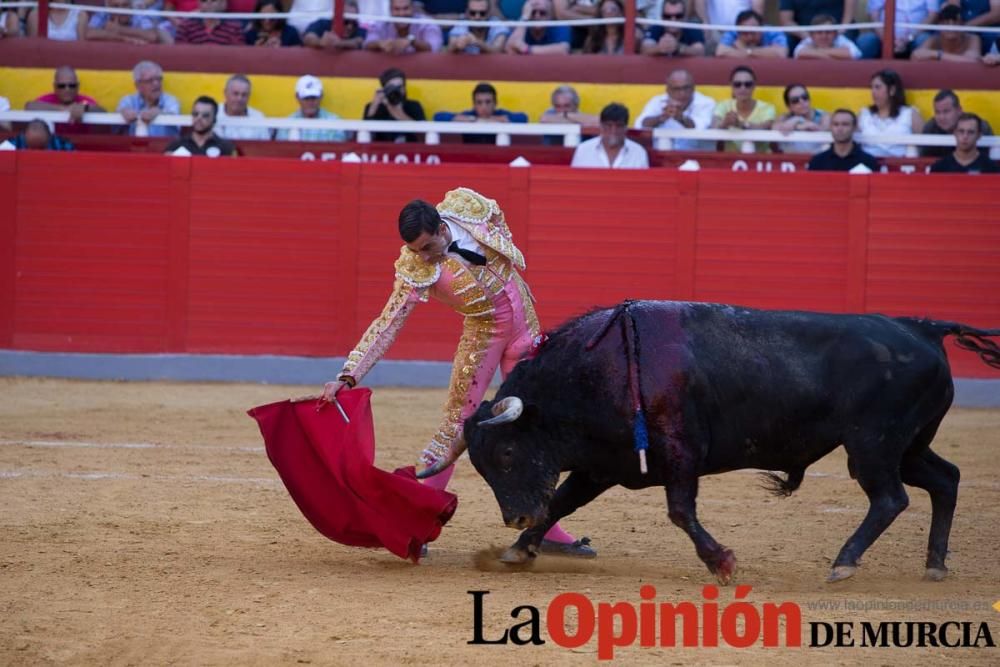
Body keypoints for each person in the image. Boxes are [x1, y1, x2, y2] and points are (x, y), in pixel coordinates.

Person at [319, 189, 597, 558]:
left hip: (525, 326)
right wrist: (349, 374)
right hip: (484, 335)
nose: (423, 256)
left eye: (428, 246)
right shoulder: (415, 269)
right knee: (457, 426)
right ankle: (415, 524)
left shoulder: (470, 208)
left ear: (441, 227)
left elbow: (499, 220)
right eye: (416, 250)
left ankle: (545, 528)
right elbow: (387, 323)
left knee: (535, 425)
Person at [635, 69, 715, 152]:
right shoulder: (657, 101)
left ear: (693, 88)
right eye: (676, 89)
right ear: (668, 90)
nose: (682, 93)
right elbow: (640, 124)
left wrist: (681, 118)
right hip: (661, 157)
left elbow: (701, 127)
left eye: (686, 88)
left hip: (696, 157)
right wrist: (660, 118)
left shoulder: (706, 103)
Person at [433, 82, 528, 144]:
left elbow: (523, 118)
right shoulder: (469, 115)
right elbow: (438, 117)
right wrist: (473, 119)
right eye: (479, 103)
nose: (484, 107)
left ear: (495, 103)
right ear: (474, 104)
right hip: (470, 160)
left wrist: (494, 119)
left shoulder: (500, 114)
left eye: (488, 102)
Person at [857, 69, 923, 158]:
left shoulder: (910, 114)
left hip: (901, 168)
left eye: (877, 87)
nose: (873, 92)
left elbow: (925, 145)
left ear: (892, 90)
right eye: (871, 87)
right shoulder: (864, 114)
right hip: (868, 167)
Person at [710, 65, 776, 153]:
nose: (743, 88)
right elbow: (714, 125)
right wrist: (724, 124)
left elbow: (765, 127)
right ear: (731, 86)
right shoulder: (723, 105)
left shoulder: (767, 108)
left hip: (761, 161)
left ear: (754, 86)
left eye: (747, 84)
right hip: (730, 160)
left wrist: (741, 124)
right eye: (737, 84)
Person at [25, 66, 106, 134]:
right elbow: (29, 106)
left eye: (72, 85)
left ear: (78, 87)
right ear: (55, 87)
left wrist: (85, 108)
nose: (67, 89)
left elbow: (102, 111)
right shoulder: (47, 99)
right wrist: (64, 109)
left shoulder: (85, 101)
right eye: (62, 86)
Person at [571, 103, 650, 169]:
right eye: (609, 125)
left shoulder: (638, 152)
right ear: (601, 126)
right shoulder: (584, 150)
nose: (613, 131)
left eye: (619, 126)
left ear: (626, 128)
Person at [921, 89, 994, 158]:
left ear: (959, 110)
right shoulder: (930, 128)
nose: (941, 117)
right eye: (937, 112)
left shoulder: (979, 126)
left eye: (946, 111)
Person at [116, 60, 181, 137]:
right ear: (138, 85)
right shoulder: (128, 100)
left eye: (159, 79)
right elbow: (122, 110)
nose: (156, 83)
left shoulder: (171, 100)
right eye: (150, 80)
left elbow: (172, 114)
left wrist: (158, 111)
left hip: (165, 147)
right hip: (134, 147)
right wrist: (124, 112)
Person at [275, 75, 348, 142]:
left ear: (321, 96)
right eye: (306, 98)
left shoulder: (334, 122)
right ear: (297, 97)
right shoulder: (286, 126)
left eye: (313, 98)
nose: (310, 102)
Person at [362, 68, 427, 143]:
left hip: (410, 150)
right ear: (384, 89)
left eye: (400, 87)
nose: (397, 90)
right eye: (392, 87)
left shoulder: (414, 106)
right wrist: (374, 105)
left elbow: (423, 136)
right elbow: (365, 136)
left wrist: (400, 115)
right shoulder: (373, 107)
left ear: (405, 88)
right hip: (381, 150)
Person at [857, 0, 938, 59]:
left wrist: (910, 37)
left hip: (916, 35)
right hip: (883, 37)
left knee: (925, 40)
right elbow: (873, 15)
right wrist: (887, 38)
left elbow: (932, 15)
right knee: (865, 41)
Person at [807, 108, 880, 171]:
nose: (840, 129)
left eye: (845, 124)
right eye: (836, 124)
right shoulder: (818, 162)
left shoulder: (868, 161)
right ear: (830, 127)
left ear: (854, 127)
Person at [164, 96, 238, 157]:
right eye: (195, 114)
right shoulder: (177, 145)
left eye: (205, 115)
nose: (199, 118)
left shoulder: (226, 148)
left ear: (214, 119)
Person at [929, 112, 999, 173]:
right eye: (961, 131)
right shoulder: (939, 168)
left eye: (971, 132)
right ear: (955, 133)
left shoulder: (991, 168)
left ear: (979, 135)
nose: (965, 136)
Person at [364, 0, 443, 53]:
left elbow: (434, 48)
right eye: (396, 9)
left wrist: (412, 42)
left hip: (421, 72)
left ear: (413, 8)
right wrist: (379, 44)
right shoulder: (381, 24)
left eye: (406, 8)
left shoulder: (427, 24)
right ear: (390, 10)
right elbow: (367, 45)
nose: (401, 14)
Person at [911, 5, 982, 62]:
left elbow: (972, 61)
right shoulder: (934, 40)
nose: (951, 27)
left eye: (955, 23)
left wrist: (938, 55)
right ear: (939, 26)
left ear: (962, 24)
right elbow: (915, 56)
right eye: (946, 23)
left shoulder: (973, 38)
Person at [774, 83, 830, 154]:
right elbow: (775, 127)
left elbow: (823, 130)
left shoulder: (823, 115)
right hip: (793, 161)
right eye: (795, 100)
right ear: (789, 107)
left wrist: (798, 124)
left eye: (804, 97)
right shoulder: (786, 117)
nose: (801, 102)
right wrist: (798, 121)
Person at [639, 0, 706, 57]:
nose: (673, 21)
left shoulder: (691, 28)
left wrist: (679, 48)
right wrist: (659, 48)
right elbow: (644, 49)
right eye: (668, 16)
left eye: (678, 16)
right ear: (662, 17)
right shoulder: (656, 28)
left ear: (685, 17)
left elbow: (700, 51)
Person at [216, 75, 272, 141]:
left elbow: (265, 147)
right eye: (235, 94)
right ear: (225, 93)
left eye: (244, 95)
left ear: (249, 96)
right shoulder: (213, 113)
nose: (239, 98)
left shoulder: (258, 118)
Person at [779, 0, 854, 50]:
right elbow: (787, 21)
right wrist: (809, 37)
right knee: (786, 42)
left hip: (838, 30)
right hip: (803, 33)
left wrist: (837, 33)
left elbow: (848, 18)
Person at [716, 9, 790, 58]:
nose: (750, 37)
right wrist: (765, 53)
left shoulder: (774, 32)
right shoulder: (733, 32)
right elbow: (720, 52)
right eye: (745, 33)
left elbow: (781, 54)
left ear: (761, 29)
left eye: (753, 33)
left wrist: (747, 50)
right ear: (738, 32)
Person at [506, 0, 571, 54]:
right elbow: (510, 48)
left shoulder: (559, 26)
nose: (537, 16)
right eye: (533, 12)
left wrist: (527, 49)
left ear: (550, 16)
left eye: (542, 13)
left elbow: (563, 50)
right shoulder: (521, 27)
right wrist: (524, 17)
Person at [446, 0, 510, 53]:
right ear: (467, 13)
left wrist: (477, 42)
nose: (477, 17)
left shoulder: (497, 26)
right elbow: (448, 52)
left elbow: (497, 51)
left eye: (482, 13)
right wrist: (456, 45)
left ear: (489, 13)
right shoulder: (461, 25)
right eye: (472, 13)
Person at [84, 0, 159, 44]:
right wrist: (123, 38)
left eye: (125, 5)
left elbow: (152, 35)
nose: (121, 10)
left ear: (131, 5)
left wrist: (119, 29)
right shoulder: (103, 13)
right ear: (108, 6)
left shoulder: (138, 14)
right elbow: (88, 33)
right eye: (116, 6)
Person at [793, 14, 863, 59]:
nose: (824, 36)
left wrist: (817, 51)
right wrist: (832, 57)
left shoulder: (840, 39)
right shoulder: (809, 40)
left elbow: (853, 54)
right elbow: (800, 53)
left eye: (828, 32)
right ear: (812, 36)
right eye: (819, 32)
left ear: (835, 34)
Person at [175, 0, 244, 45]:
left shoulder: (234, 27)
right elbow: (180, 52)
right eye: (204, 0)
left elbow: (238, 53)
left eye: (213, 0)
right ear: (198, 3)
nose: (208, 3)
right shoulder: (186, 26)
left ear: (222, 3)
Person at [9, 119, 75, 151]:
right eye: (32, 147)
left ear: (49, 137)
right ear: (24, 135)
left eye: (41, 148)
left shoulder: (62, 144)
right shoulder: (12, 143)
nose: (36, 151)